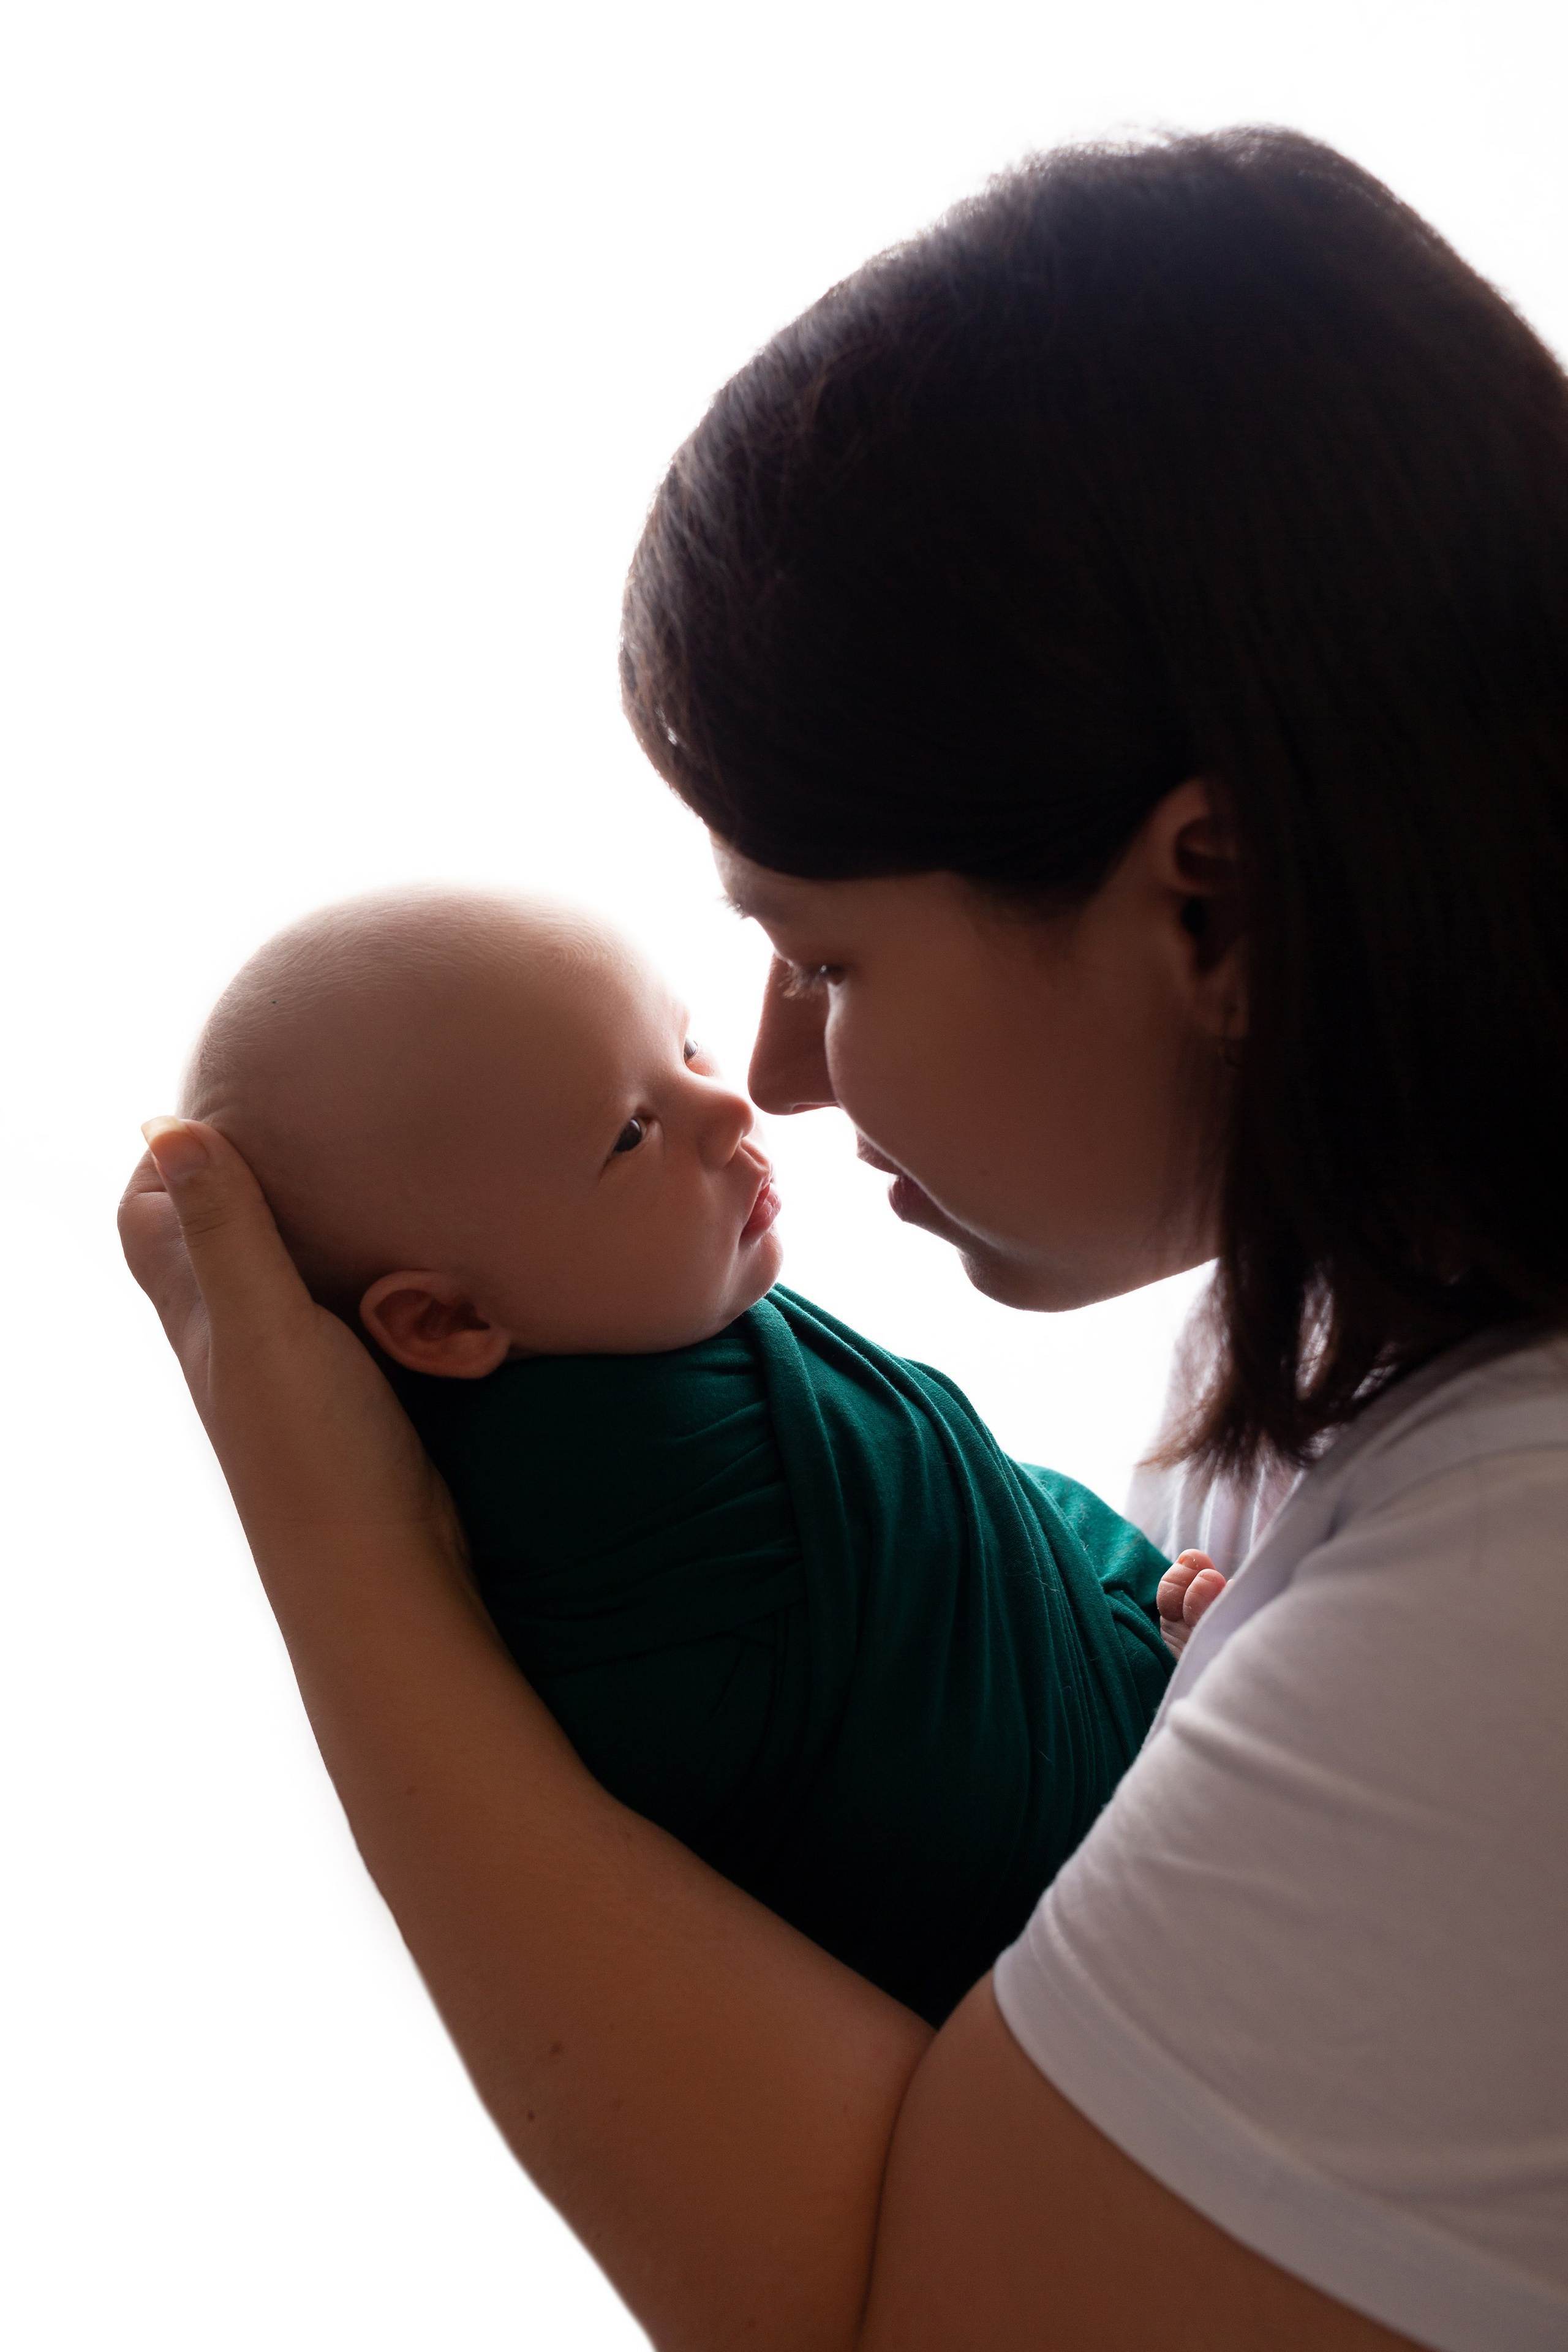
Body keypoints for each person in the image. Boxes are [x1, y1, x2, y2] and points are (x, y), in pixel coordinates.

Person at [121, 124, 1568, 2350]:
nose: (781, 1073)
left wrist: (339, 1546)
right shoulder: (1371, 1333)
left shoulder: (1523, 1597)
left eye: (829, 959)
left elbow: (918, 2323)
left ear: (1219, 899)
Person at [179, 884, 1208, 2025]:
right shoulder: (610, 1537)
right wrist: (1165, 1679)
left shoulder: (669, 1336)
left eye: (684, 1047)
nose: (730, 1107)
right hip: (1139, 1956)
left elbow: (988, 1514)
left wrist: (1127, 1601)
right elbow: (925, 1834)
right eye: (630, 1133)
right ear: (444, 1325)